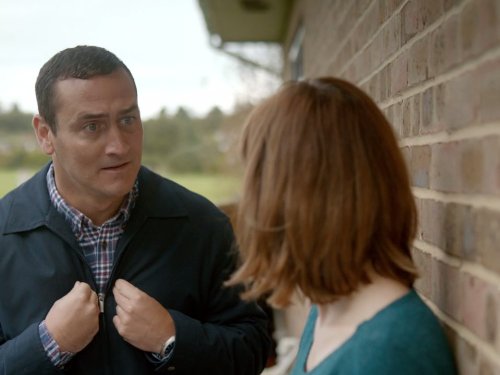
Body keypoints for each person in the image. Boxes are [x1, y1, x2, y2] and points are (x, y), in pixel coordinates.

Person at [0, 45, 271, 375]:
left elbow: (252, 350)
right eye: (92, 127)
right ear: (45, 134)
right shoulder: (4, 233)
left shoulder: (203, 225)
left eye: (128, 119)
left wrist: (172, 339)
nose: (120, 145)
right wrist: (48, 344)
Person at [227, 77, 457, 374]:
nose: (250, 203)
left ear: (303, 199)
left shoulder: (390, 351)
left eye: (259, 182)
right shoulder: (325, 311)